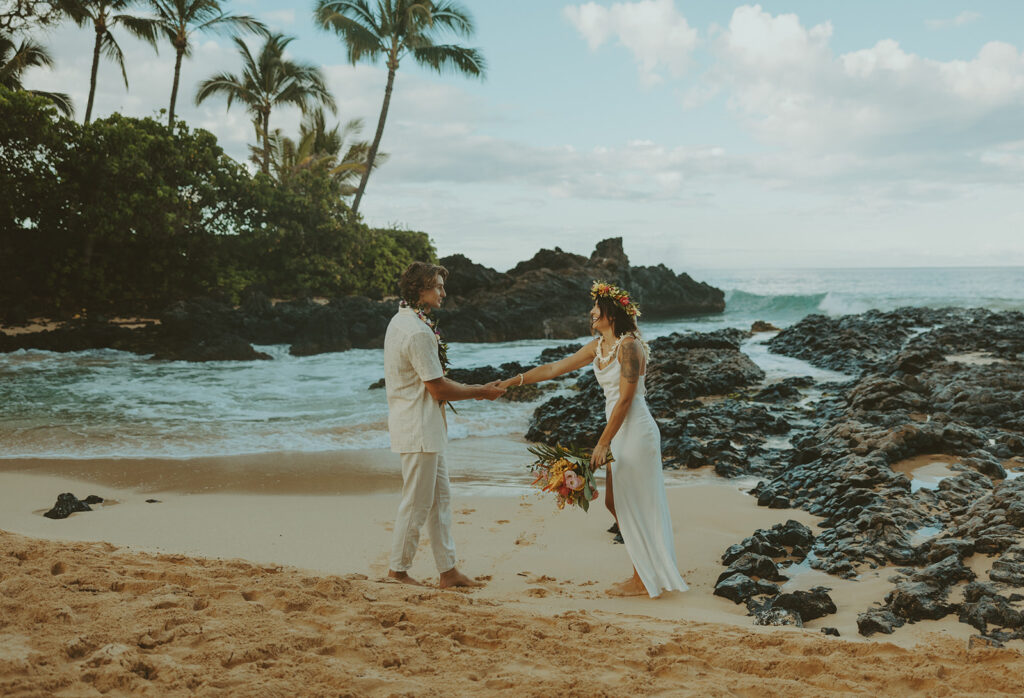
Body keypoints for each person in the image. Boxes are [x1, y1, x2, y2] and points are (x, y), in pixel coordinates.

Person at [498, 281, 688, 598]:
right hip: (617, 430)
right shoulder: (598, 346)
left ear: (610, 313)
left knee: (633, 503)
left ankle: (642, 578)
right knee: (617, 503)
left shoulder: (629, 346)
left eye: (596, 308)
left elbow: (626, 399)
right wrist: (513, 381)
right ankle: (645, 569)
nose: (591, 313)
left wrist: (602, 443)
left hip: (635, 430)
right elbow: (554, 368)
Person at [384, 261, 505, 588]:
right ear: (420, 290)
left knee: (440, 501)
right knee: (417, 502)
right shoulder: (417, 331)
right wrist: (480, 391)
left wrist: (474, 389)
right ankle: (398, 572)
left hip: (420, 425)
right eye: (437, 286)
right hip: (418, 427)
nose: (444, 292)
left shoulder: (402, 320)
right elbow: (436, 386)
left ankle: (448, 571)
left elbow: (431, 381)